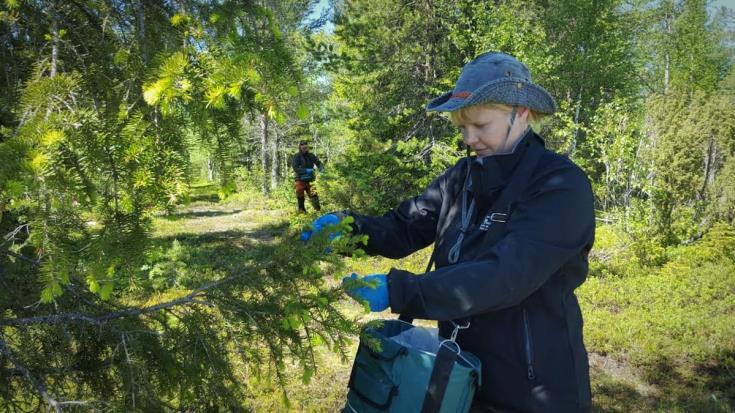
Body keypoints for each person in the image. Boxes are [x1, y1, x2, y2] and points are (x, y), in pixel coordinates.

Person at [306, 52, 595, 412]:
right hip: (455, 375)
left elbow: (504, 275)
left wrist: (401, 290)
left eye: (480, 126)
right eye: (462, 128)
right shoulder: (461, 178)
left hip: (535, 390)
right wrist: (349, 228)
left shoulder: (559, 185)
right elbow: (402, 227)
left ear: (519, 113)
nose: (469, 138)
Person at [292, 140, 324, 213]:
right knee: (300, 197)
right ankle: (302, 212)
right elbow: (295, 168)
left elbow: (318, 163)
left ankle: (318, 211)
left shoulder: (311, 155)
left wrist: (321, 169)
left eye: (306, 147)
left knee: (314, 196)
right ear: (300, 148)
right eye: (303, 148)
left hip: (310, 180)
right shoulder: (296, 156)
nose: (305, 149)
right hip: (300, 180)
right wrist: (306, 170)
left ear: (307, 147)